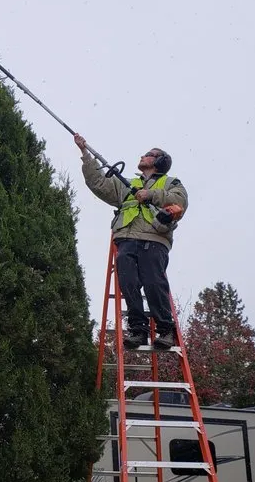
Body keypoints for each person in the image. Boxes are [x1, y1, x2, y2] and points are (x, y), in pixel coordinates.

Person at [74, 137, 188, 350]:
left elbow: (179, 202)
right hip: (126, 239)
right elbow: (98, 183)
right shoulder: (128, 184)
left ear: (159, 161)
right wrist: (85, 155)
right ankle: (138, 330)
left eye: (149, 154)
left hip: (154, 238)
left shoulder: (171, 183)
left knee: (154, 283)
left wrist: (151, 194)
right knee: (128, 284)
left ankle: (165, 330)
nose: (142, 156)